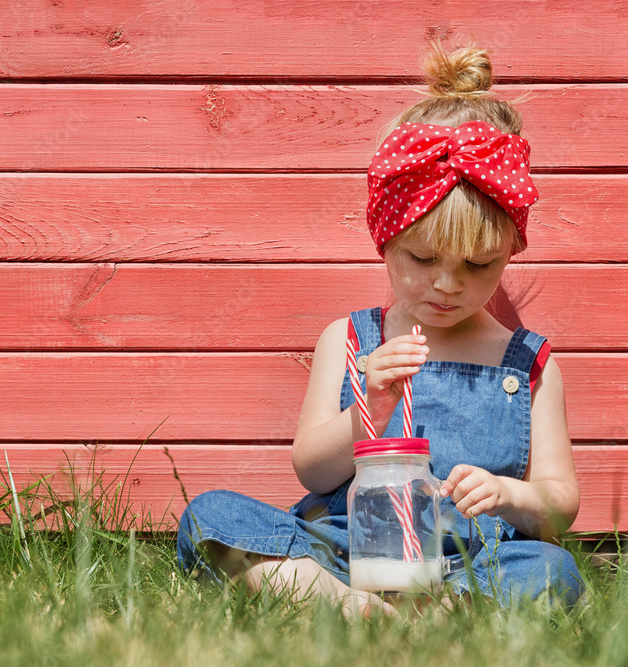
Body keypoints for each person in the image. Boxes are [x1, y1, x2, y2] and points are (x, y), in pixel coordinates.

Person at [177, 42, 585, 615]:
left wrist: (511, 495)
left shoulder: (526, 365)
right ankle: (346, 603)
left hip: (464, 559)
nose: (446, 285)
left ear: (510, 251)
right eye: (422, 260)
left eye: (477, 265)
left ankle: (425, 611)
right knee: (212, 515)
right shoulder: (347, 340)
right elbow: (312, 470)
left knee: (554, 570)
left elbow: (560, 503)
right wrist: (368, 407)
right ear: (385, 238)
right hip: (343, 547)